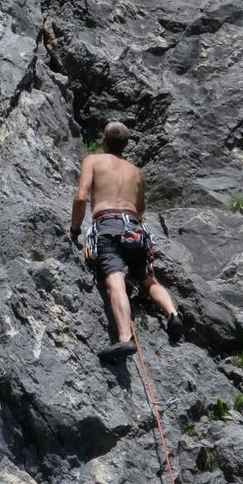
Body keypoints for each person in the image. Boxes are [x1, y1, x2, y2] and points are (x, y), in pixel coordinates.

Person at [69, 121, 183, 361]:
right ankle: (172, 313)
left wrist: (74, 230)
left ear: (104, 141)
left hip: (107, 225)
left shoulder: (93, 160)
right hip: (135, 228)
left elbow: (81, 197)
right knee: (146, 278)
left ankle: (124, 338)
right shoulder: (136, 172)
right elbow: (140, 210)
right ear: (126, 145)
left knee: (115, 280)